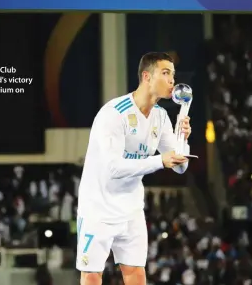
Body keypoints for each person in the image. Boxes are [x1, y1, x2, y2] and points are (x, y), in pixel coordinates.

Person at [76, 52, 192, 285]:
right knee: (91, 275)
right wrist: (160, 161)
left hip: (131, 208)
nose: (172, 81)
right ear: (147, 77)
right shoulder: (113, 114)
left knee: (136, 273)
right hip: (98, 207)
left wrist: (182, 139)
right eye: (166, 73)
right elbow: (113, 168)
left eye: (173, 75)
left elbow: (181, 168)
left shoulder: (161, 117)